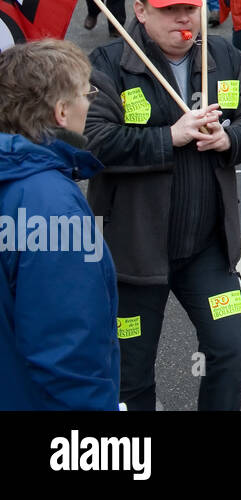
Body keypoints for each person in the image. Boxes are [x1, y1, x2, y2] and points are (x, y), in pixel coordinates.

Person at [84, 0, 241, 410]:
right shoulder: (107, 65)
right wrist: (170, 137)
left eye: (190, 6)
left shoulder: (223, 56)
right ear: (141, 10)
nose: (183, 18)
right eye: (169, 9)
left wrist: (230, 138)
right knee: (130, 372)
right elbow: (92, 143)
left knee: (231, 349)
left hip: (205, 249)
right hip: (133, 256)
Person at [0, 39, 119, 410]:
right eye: (88, 93)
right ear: (62, 112)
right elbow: (67, 354)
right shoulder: (52, 207)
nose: (91, 102)